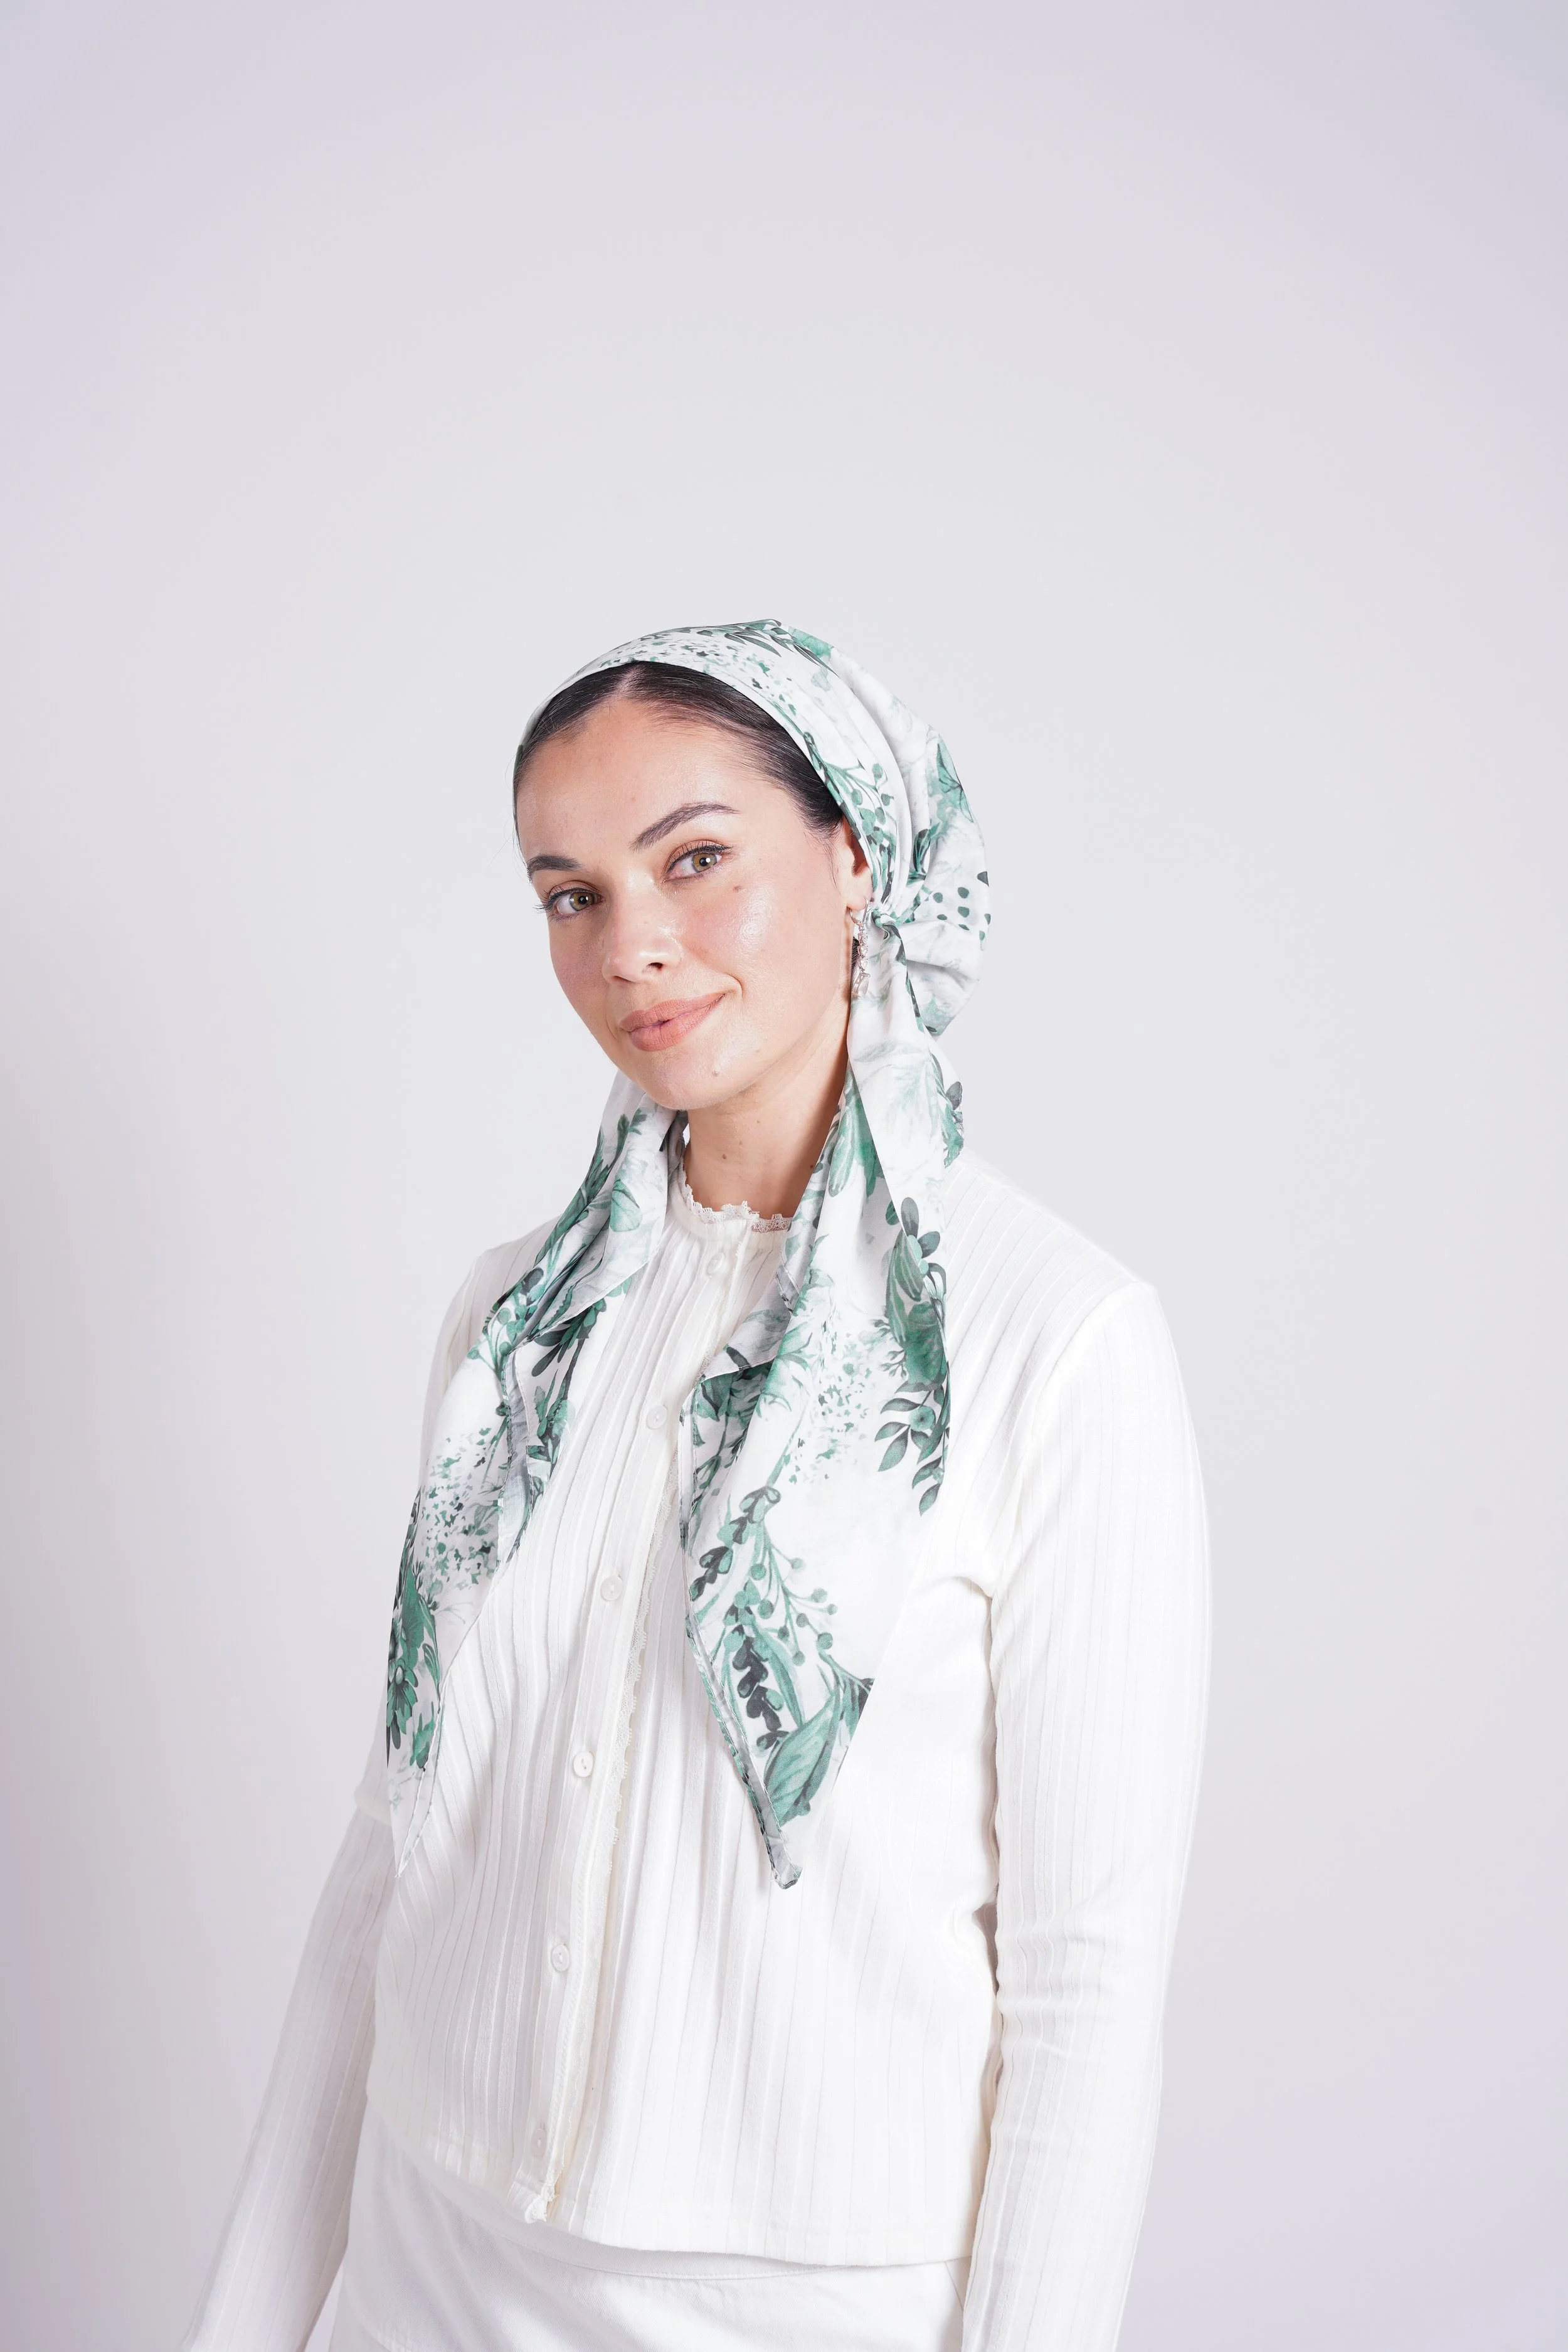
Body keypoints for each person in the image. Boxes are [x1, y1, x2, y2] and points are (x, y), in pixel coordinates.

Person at [183, 620, 1210, 2352]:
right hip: (434, 2261)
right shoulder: (515, 1322)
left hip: (808, 2309)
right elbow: (396, 1835)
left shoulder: (1055, 1341)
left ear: (854, 855)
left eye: (696, 860)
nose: (631, 948)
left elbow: (1084, 1980)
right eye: (568, 892)